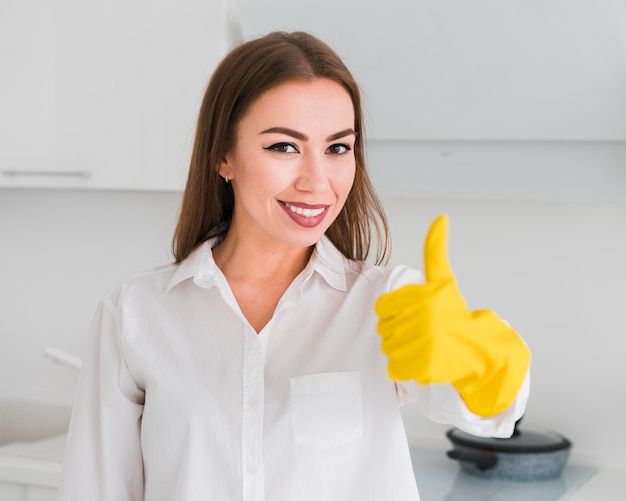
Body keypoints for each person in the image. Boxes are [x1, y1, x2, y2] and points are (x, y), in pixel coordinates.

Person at [58, 31, 530, 500]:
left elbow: (496, 413)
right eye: (284, 146)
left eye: (338, 148)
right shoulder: (136, 314)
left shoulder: (389, 304)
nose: (317, 181)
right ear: (224, 155)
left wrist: (478, 360)